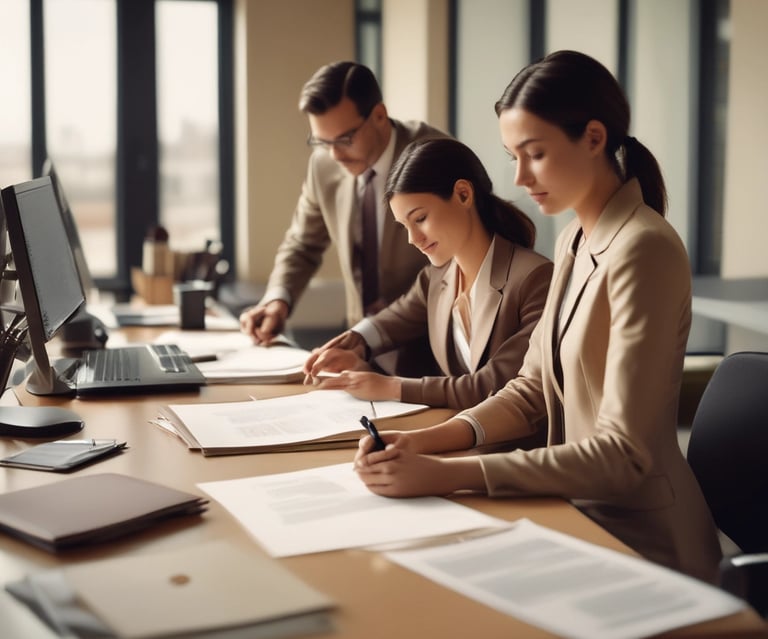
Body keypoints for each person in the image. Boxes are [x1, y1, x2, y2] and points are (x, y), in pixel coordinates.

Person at [353, 50, 722, 583]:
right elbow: (530, 390)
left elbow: (623, 454)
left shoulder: (644, 249)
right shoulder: (574, 239)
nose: (521, 177)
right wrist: (424, 442)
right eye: (513, 157)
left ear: (593, 138)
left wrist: (445, 474)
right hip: (577, 512)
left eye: (536, 154)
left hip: (643, 538)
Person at [303, 137, 552, 412]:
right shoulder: (436, 278)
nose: (413, 239)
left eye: (420, 219)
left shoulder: (535, 279)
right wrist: (352, 343)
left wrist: (390, 387)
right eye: (404, 226)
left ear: (463, 195)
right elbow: (390, 323)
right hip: (451, 429)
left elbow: (492, 386)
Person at [239, 61, 447, 375]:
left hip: (430, 353)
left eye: (344, 139)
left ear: (379, 115)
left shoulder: (434, 156)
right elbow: (302, 244)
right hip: (357, 350)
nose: (334, 154)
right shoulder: (323, 165)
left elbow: (456, 265)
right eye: (322, 142)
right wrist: (276, 301)